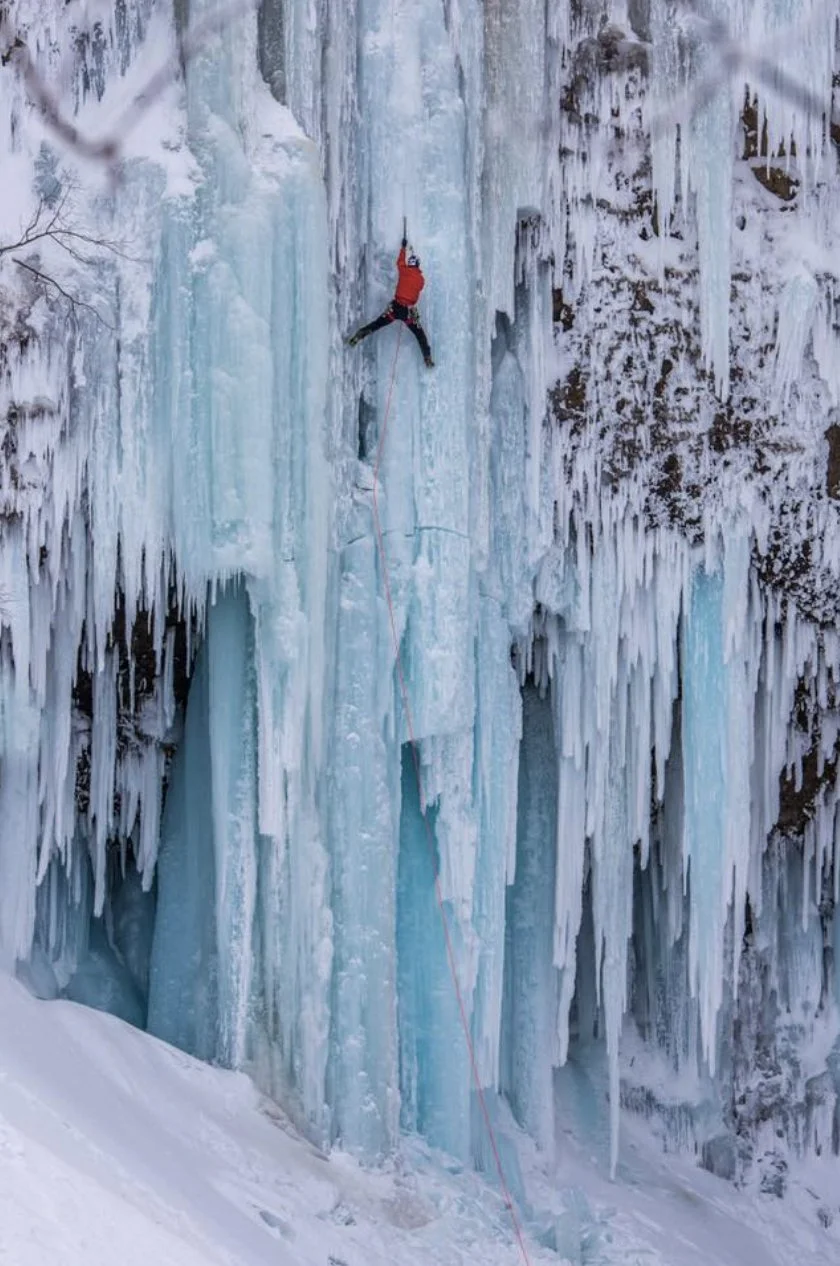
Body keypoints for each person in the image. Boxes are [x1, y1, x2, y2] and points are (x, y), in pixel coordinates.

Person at [346, 236, 435, 367]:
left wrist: (403, 248)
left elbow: (400, 262)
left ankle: (360, 335)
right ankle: (427, 357)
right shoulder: (421, 279)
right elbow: (418, 287)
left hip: (395, 308)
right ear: (417, 265)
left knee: (378, 324)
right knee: (419, 334)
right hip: (408, 312)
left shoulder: (403, 269)